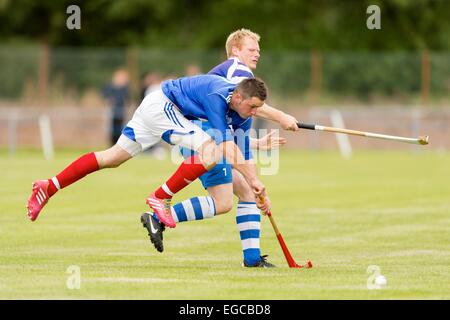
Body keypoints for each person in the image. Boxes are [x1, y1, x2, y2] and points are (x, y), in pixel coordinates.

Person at [26, 76, 270, 235]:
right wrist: (255, 181)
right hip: (164, 106)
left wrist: (255, 181)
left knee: (112, 158)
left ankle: (49, 186)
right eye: (253, 107)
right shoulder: (218, 97)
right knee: (212, 152)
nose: (255, 113)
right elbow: (227, 146)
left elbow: (240, 148)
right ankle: (160, 197)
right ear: (238, 97)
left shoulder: (239, 109)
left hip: (154, 107)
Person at [141, 28, 298, 268]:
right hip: (206, 141)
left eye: (259, 50)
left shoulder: (247, 94)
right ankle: (158, 217)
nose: (257, 54)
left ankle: (252, 259)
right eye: (251, 49)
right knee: (223, 201)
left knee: (245, 192)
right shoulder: (238, 71)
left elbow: (240, 142)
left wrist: (257, 182)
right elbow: (242, 114)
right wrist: (282, 116)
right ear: (235, 50)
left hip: (215, 141)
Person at [102, 69, 130, 146]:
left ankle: (119, 144)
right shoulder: (110, 87)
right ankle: (112, 144)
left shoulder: (125, 88)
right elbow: (105, 96)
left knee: (121, 128)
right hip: (112, 111)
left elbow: (127, 98)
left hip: (121, 111)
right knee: (112, 129)